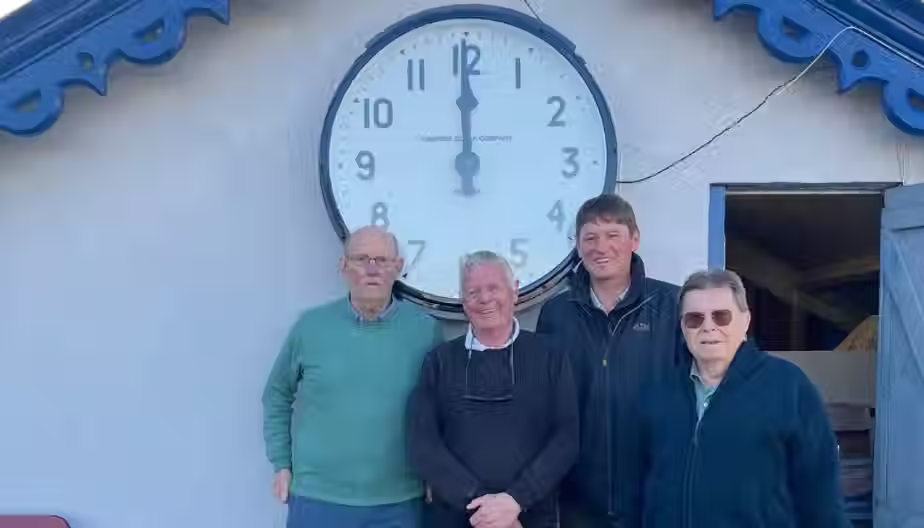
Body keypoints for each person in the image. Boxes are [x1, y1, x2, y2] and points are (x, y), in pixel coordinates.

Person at [261, 225, 443, 528]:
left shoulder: (425, 330)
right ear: (344, 266)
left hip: (399, 503)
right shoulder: (310, 327)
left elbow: (443, 407)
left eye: (382, 260)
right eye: (361, 259)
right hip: (318, 499)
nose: (372, 269)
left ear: (397, 267)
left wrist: (435, 472)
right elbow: (277, 394)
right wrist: (281, 463)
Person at [639, 269, 851, 527]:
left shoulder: (789, 387)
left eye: (721, 316)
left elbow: (821, 495)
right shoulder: (659, 393)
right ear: (683, 327)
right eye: (695, 319)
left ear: (746, 320)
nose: (708, 327)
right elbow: (641, 487)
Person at [535, 194, 684, 528]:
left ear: (635, 239)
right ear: (578, 246)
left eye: (612, 235)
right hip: (578, 500)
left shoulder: (672, 305)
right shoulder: (556, 314)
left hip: (654, 495)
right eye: (590, 237)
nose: (600, 247)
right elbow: (545, 403)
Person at [406, 250, 579, 528]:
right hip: (456, 518)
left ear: (515, 291)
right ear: (463, 301)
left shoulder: (551, 356)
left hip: (529, 518)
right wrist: (484, 508)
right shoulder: (439, 361)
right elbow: (423, 445)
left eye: (493, 288)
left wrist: (516, 500)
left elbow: (567, 438)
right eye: (473, 292)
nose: (484, 298)